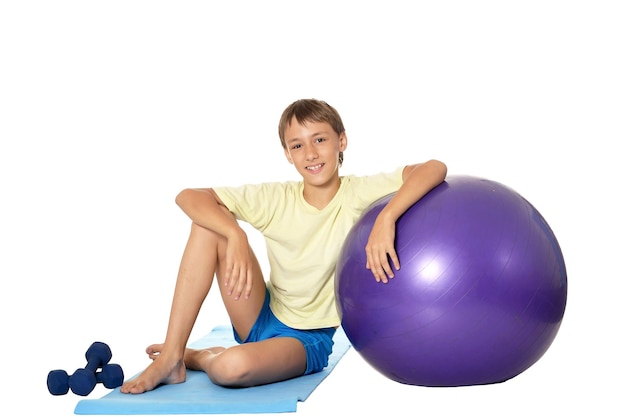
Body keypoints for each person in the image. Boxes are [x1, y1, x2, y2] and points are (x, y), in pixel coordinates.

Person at [120, 98, 447, 394]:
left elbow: (434, 168)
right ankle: (173, 357)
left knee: (227, 368)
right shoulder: (277, 198)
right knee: (208, 225)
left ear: (341, 141)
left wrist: (386, 217)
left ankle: (203, 357)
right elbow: (189, 196)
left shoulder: (358, 193)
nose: (311, 154)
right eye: (298, 145)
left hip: (305, 340)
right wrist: (235, 233)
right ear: (288, 154)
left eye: (320, 139)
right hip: (261, 313)